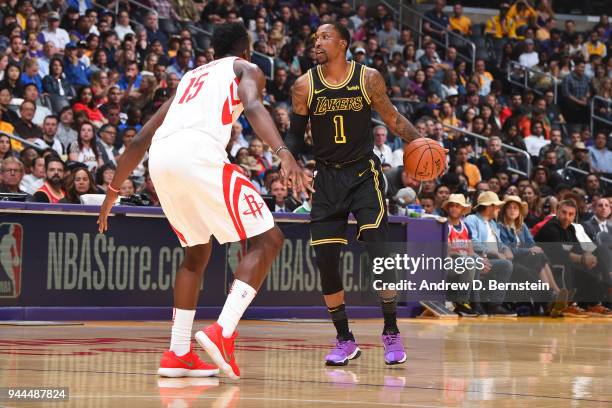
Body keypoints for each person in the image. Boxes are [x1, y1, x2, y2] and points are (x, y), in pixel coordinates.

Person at [97, 23, 307, 380]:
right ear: (246, 50)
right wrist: (283, 152)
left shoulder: (188, 80)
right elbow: (254, 105)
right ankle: (223, 332)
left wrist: (112, 193)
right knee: (269, 239)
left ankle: (178, 353)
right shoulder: (245, 68)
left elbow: (140, 139)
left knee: (196, 253)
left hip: (160, 162)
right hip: (198, 154)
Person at [286, 22, 424, 367]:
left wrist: (422, 141)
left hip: (364, 175)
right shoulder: (304, 85)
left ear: (344, 43)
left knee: (379, 253)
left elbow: (392, 118)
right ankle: (344, 339)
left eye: (325, 36)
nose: (317, 41)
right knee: (326, 262)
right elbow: (293, 137)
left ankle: (391, 330)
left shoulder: (368, 78)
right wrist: (287, 161)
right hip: (327, 180)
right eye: (315, 36)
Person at [535, 199, 611, 316]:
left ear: (575, 215)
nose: (567, 217)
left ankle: (592, 304)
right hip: (546, 264)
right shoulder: (551, 228)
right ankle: (567, 304)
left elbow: (578, 248)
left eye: (571, 214)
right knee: (570, 265)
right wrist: (582, 259)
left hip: (563, 260)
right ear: (557, 211)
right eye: (564, 213)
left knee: (595, 259)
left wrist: (588, 257)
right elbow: (558, 253)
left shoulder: (571, 229)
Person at [498, 195, 565, 314]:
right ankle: (552, 293)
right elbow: (509, 250)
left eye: (516, 208)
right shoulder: (500, 227)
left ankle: (552, 294)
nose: (513, 210)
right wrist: (528, 250)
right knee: (537, 256)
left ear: (519, 211)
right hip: (513, 260)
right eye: (510, 208)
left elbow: (532, 243)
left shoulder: (522, 226)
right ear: (504, 210)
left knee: (539, 255)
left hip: (526, 258)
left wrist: (532, 249)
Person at [464, 191, 515, 316]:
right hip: (477, 257)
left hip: (492, 260)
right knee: (503, 264)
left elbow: (499, 243)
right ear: (489, 206)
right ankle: (476, 304)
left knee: (508, 264)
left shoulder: (493, 223)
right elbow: (472, 242)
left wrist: (504, 249)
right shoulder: (472, 219)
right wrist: (493, 252)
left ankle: (495, 305)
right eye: (496, 206)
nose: (498, 209)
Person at [441, 194, 481, 317]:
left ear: (463, 209)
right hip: (447, 263)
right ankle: (462, 302)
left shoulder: (466, 226)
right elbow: (448, 251)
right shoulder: (445, 225)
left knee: (476, 262)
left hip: (463, 262)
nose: (454, 209)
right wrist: (461, 255)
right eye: (451, 206)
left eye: (457, 206)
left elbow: (470, 251)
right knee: (470, 263)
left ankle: (473, 303)